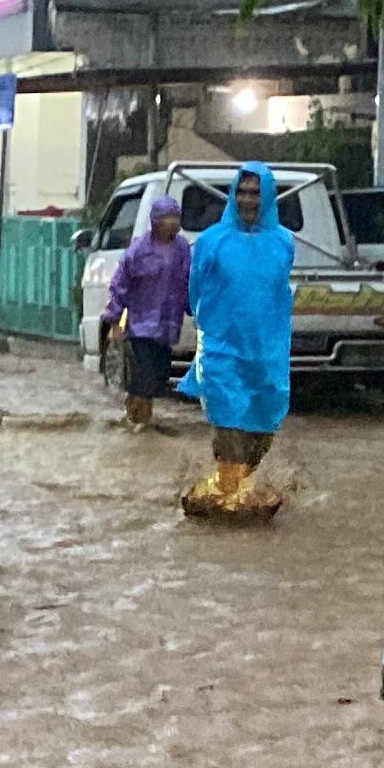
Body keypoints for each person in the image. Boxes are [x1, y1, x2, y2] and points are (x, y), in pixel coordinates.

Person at [180, 162, 295, 510]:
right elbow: (194, 294)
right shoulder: (211, 242)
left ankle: (228, 494)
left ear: (268, 196)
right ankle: (226, 503)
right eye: (241, 192)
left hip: (267, 356)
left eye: (255, 193)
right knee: (229, 427)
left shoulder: (284, 242)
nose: (247, 200)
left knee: (261, 434)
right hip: (222, 353)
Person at [100, 191, 193, 431]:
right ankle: (137, 421)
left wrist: (197, 310)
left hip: (168, 325)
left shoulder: (182, 249)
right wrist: (115, 322)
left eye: (176, 216)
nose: (173, 222)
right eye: (168, 217)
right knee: (145, 373)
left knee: (161, 375)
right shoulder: (138, 250)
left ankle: (137, 414)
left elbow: (188, 283)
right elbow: (120, 285)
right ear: (156, 221)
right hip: (141, 326)